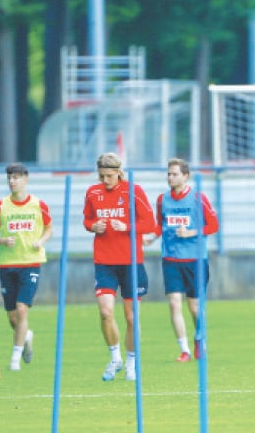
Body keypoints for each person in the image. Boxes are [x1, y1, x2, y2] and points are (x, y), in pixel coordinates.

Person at [83, 152, 156, 380]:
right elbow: (86, 219)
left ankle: (132, 363)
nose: (105, 181)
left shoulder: (133, 191)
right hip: (104, 262)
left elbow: (150, 223)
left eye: (109, 176)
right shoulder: (92, 193)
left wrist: (126, 226)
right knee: (105, 312)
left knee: (131, 318)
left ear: (118, 172)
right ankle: (115, 359)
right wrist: (93, 226)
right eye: (101, 176)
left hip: (131, 262)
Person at [143, 158, 219, 362]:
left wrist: (192, 232)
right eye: (168, 174)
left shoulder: (198, 198)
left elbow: (213, 225)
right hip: (171, 258)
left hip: (195, 259)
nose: (170, 177)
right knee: (174, 303)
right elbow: (160, 225)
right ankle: (184, 350)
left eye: (174, 174)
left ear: (185, 176)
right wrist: (152, 237)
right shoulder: (162, 199)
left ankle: (199, 339)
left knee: (194, 307)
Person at [0, 163, 53, 371]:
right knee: (13, 317)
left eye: (16, 177)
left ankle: (14, 360)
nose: (12, 181)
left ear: (25, 179)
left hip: (30, 263)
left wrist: (41, 241)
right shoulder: (1, 206)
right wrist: (2, 241)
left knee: (23, 310)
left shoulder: (38, 205)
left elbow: (49, 228)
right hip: (7, 264)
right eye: (9, 178)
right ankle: (27, 336)